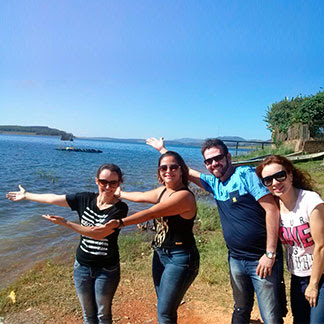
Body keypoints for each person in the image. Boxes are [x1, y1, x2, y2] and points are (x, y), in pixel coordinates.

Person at [146, 137, 285, 324]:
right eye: (208, 161)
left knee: (270, 315)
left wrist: (270, 253)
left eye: (218, 158)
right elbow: (187, 172)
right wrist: (163, 150)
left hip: (261, 259)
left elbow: (272, 210)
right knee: (241, 307)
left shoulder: (246, 175)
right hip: (235, 258)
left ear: (228, 156)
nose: (213, 164)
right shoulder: (215, 184)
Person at [83, 151, 199, 324]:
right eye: (163, 167)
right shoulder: (162, 191)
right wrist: (120, 194)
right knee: (165, 305)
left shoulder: (184, 196)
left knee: (165, 311)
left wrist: (119, 223)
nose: (168, 170)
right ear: (159, 171)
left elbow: (150, 213)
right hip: (160, 255)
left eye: (173, 167)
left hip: (180, 258)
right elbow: (141, 196)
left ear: (182, 170)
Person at [6, 163, 128, 324]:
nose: (107, 187)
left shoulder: (120, 209)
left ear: (119, 183)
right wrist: (27, 195)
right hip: (82, 267)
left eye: (113, 183)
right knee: (88, 314)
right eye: (103, 182)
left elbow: (99, 234)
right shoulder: (84, 199)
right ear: (96, 181)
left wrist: (67, 224)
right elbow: (53, 198)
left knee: (102, 315)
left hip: (106, 270)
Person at [256, 155, 324, 324]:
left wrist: (314, 284)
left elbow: (321, 246)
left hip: (320, 276)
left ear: (290, 175)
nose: (275, 183)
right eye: (268, 180)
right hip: (297, 277)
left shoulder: (310, 201)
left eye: (280, 176)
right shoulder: (275, 208)